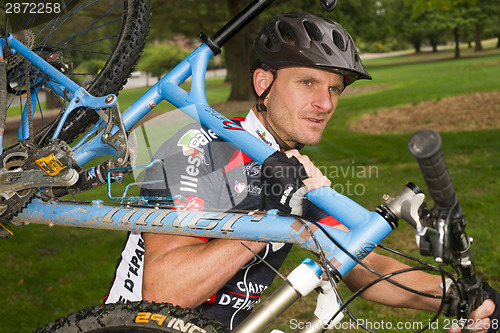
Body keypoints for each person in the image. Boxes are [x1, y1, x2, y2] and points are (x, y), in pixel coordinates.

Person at [104, 12, 499, 332]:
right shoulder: (201, 146)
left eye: (334, 89)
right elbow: (163, 293)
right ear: (263, 83)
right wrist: (272, 217)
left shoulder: (296, 172)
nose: (324, 103)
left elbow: (362, 263)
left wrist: (462, 297)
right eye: (308, 82)